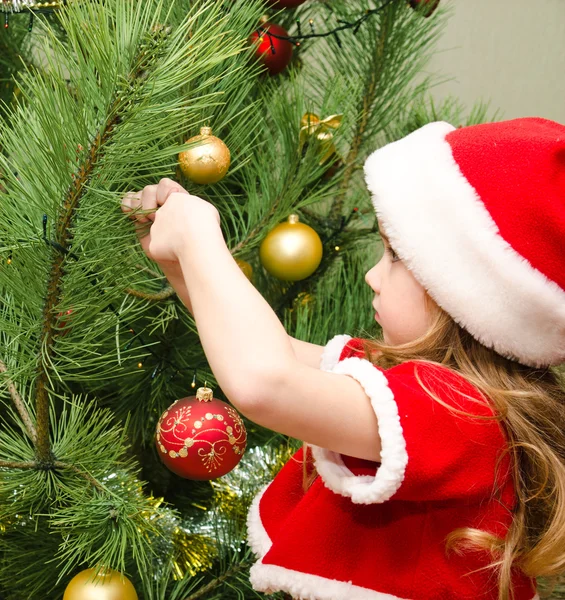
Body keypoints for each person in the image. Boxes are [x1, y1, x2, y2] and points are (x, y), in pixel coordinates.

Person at [121, 117, 565, 600]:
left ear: (466, 296)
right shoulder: (422, 388)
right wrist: (184, 265)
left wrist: (198, 240)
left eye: (395, 257)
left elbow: (267, 382)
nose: (374, 276)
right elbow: (273, 350)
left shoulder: (460, 413)